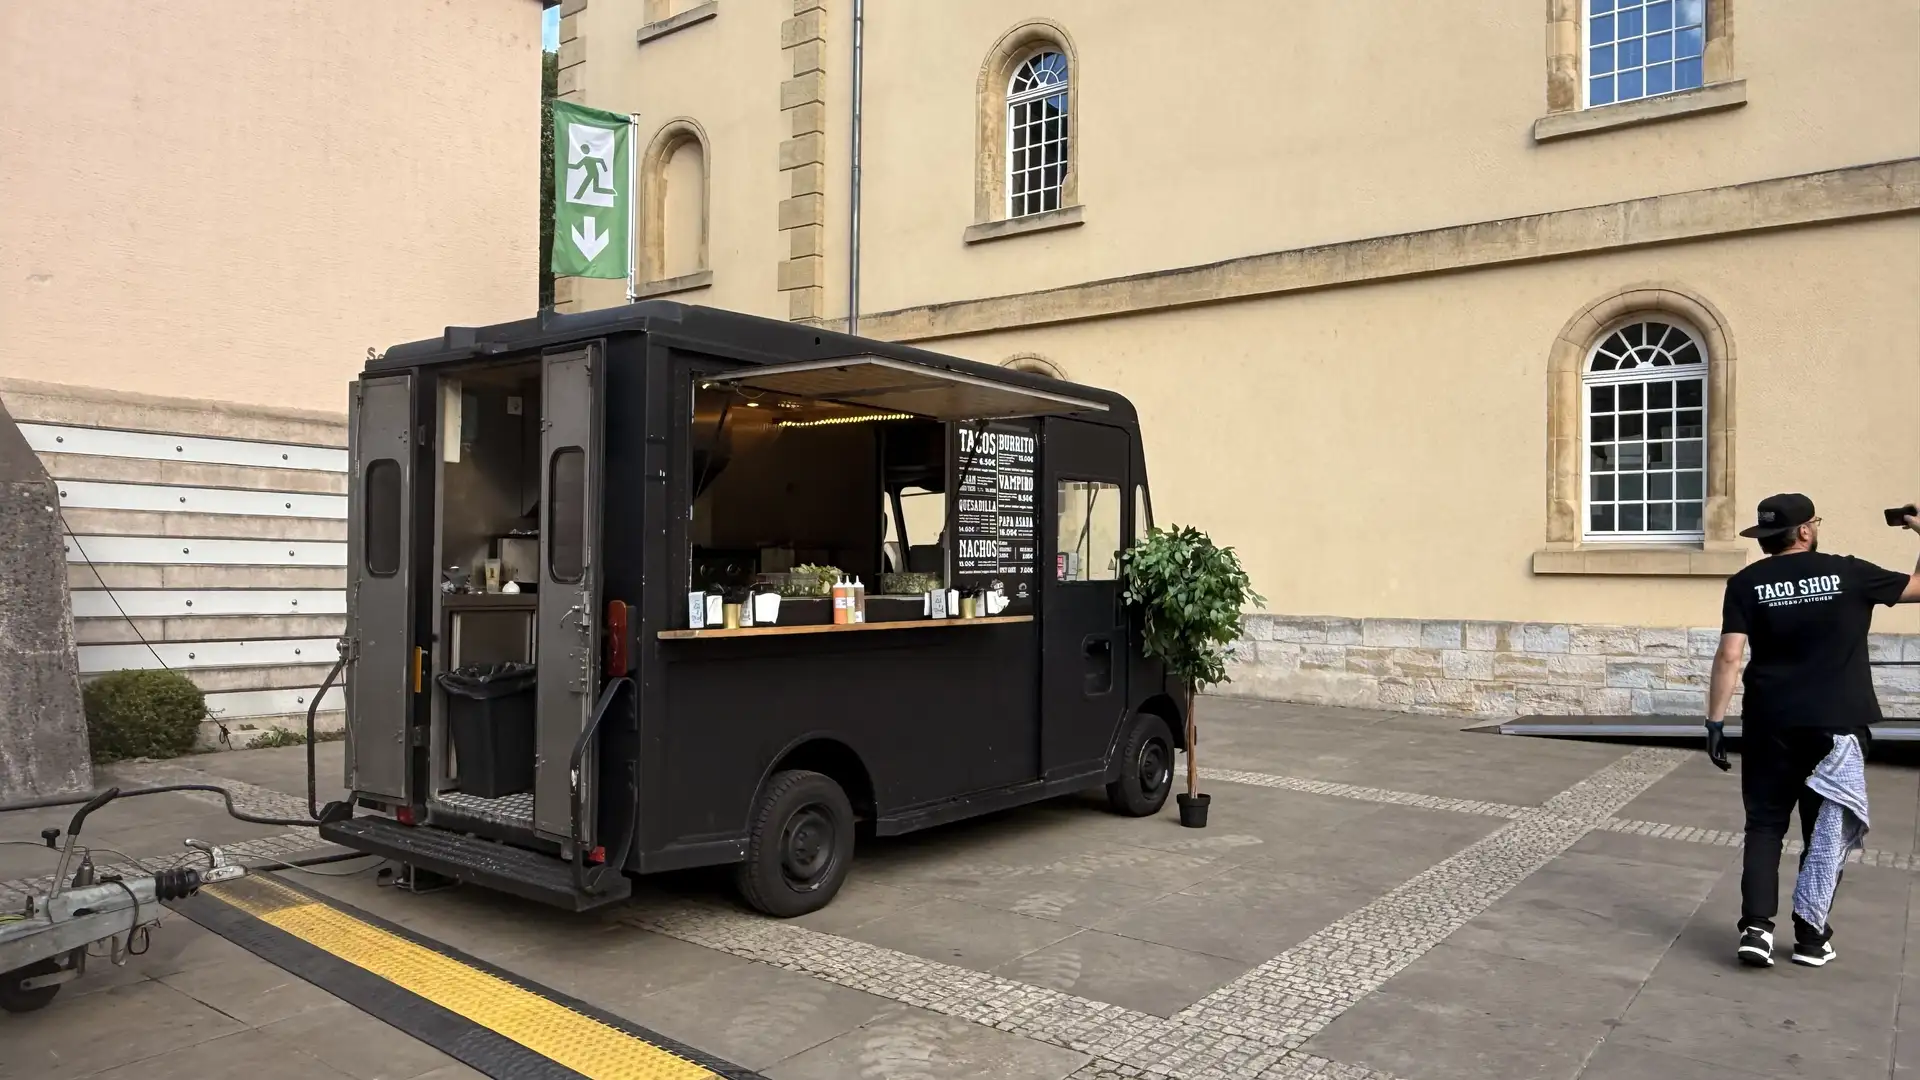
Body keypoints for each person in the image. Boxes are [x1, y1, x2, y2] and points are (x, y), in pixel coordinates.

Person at [1707, 493, 1920, 968]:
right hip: (1836, 726)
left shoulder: (1746, 582)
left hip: (1769, 723)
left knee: (1765, 826)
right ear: (1805, 531)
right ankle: (1809, 936)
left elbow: (1729, 656)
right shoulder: (1850, 573)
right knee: (1823, 830)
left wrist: (1715, 721)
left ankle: (1756, 930)